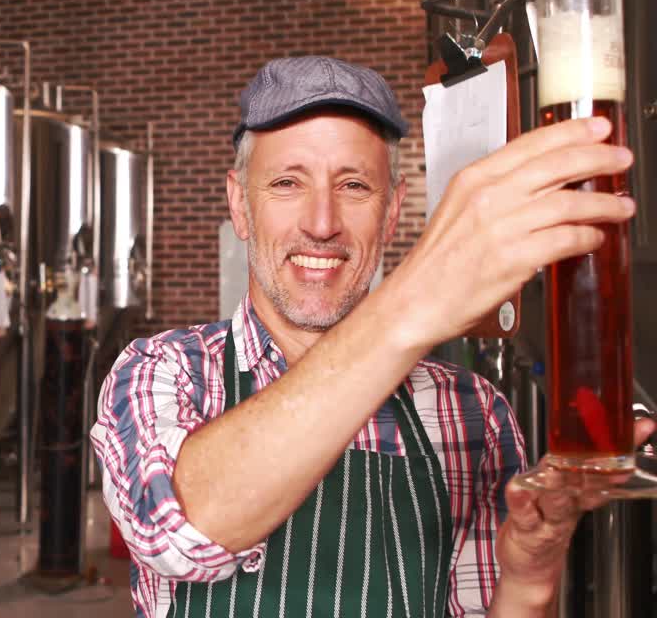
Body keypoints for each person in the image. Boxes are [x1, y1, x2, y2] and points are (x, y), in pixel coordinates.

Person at [90, 56, 655, 617]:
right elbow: (180, 529)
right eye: (287, 182)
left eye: (354, 185)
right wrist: (416, 298)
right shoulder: (164, 370)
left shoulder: (473, 413)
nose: (321, 222)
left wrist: (529, 580)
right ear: (240, 205)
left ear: (391, 212)